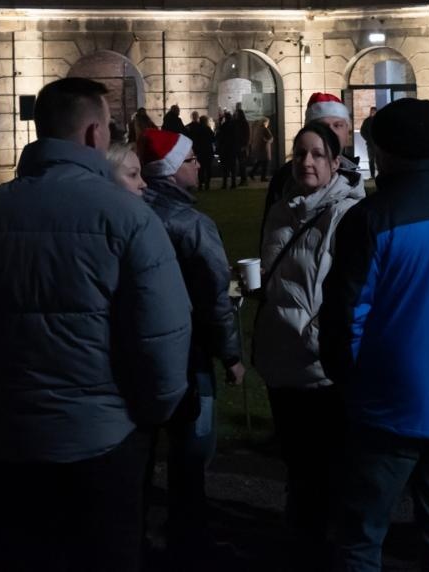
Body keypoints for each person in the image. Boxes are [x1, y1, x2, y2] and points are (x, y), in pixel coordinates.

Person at [0, 78, 191, 572]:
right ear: (92, 134)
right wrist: (146, 410)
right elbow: (163, 337)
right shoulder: (129, 217)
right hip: (105, 441)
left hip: (11, 439)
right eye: (108, 126)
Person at [321, 99, 429, 570]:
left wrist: (347, 377)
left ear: (382, 151)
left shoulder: (371, 219)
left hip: (388, 400)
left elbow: (346, 315)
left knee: (362, 534)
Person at [254, 120, 368, 564]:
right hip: (280, 361)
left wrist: (316, 337)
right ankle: (302, 539)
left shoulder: (347, 214)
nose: (306, 161)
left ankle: (322, 548)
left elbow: (351, 291)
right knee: (297, 465)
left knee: (325, 469)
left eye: (318, 154)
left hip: (319, 367)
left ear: (336, 162)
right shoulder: (283, 208)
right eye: (300, 153)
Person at [138, 128, 244, 562]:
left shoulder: (133, 213)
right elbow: (215, 297)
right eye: (191, 159)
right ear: (170, 170)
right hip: (189, 352)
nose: (200, 164)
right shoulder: (193, 225)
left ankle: (136, 533)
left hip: (140, 349)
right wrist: (232, 354)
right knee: (191, 453)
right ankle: (189, 537)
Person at [261, 93, 354, 220]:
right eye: (323, 126)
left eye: (338, 125)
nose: (332, 132)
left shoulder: (354, 174)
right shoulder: (286, 176)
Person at [185, 111, 216, 191]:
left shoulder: (197, 129)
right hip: (208, 151)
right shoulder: (208, 129)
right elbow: (213, 138)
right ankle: (207, 184)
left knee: (201, 169)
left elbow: (195, 139)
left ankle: (200, 184)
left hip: (200, 151)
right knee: (208, 168)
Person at [247, 115, 273, 181]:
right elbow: (271, 138)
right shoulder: (265, 129)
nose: (268, 124)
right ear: (265, 123)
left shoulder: (257, 129)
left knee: (259, 162)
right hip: (264, 149)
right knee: (265, 163)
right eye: (267, 122)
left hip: (258, 148)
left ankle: (252, 173)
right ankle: (263, 177)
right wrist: (268, 141)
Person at [359, 106, 378, 178]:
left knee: (379, 160)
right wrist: (368, 139)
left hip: (378, 144)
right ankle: (372, 175)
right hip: (370, 144)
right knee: (371, 160)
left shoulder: (379, 120)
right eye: (371, 111)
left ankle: (380, 174)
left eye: (374, 111)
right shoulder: (367, 121)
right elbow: (362, 131)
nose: (372, 113)